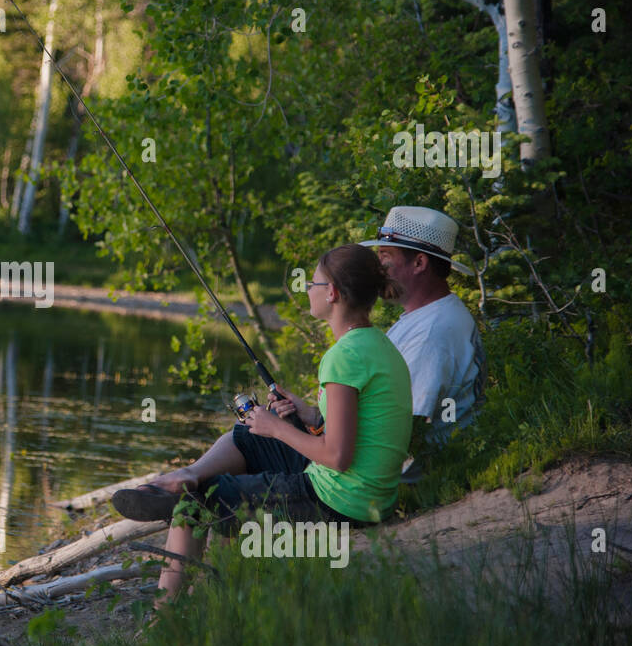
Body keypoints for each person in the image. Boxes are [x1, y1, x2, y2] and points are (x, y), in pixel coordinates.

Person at [112, 245, 412, 600]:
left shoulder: (343, 357)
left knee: (202, 500)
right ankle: (188, 474)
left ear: (331, 293)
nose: (308, 290)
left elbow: (337, 456)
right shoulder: (380, 344)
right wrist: (309, 414)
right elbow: (357, 427)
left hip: (341, 501)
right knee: (247, 436)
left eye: (313, 284)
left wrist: (278, 428)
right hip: (370, 492)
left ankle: (168, 617)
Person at [360, 206, 485, 451]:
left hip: (409, 473)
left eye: (385, 256)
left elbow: (403, 427)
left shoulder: (433, 333)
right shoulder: (428, 317)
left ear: (419, 263)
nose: (378, 267)